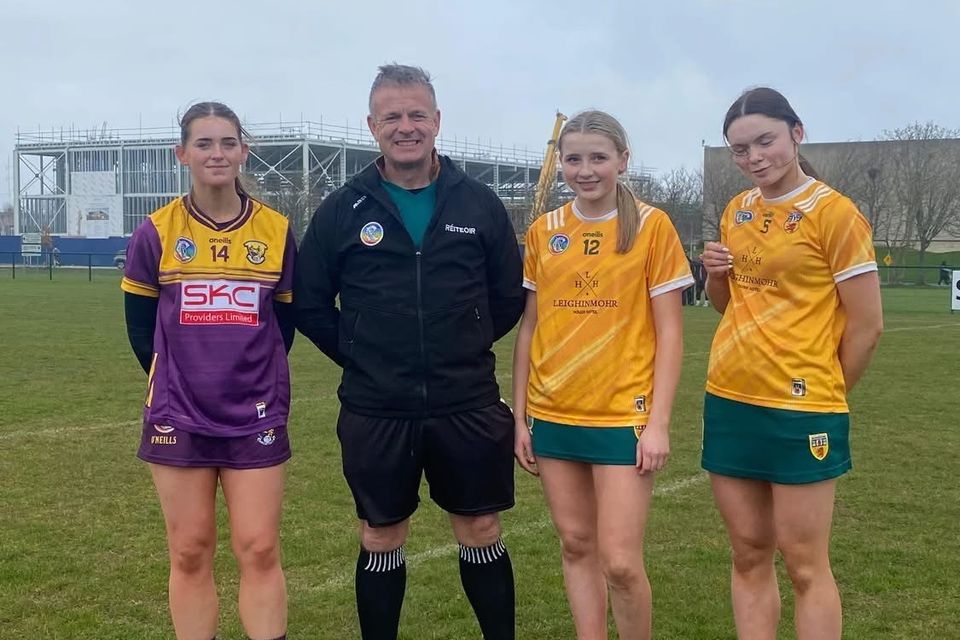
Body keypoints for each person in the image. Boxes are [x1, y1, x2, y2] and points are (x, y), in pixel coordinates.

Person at [294, 64, 524, 640]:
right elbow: (312, 302)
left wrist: (462, 341)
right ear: (372, 126)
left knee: (480, 527)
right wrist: (362, 350)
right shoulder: (342, 209)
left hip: (465, 400)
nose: (406, 127)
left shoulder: (478, 205)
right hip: (377, 405)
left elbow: (505, 295)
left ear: (437, 121)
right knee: (381, 534)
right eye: (392, 116)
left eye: (416, 114)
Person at [700, 87, 883, 640]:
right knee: (748, 554)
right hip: (730, 398)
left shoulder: (835, 213)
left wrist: (827, 391)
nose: (754, 157)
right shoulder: (738, 209)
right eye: (740, 149)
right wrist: (713, 275)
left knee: (805, 564)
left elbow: (868, 325)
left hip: (802, 409)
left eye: (765, 141)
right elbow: (729, 305)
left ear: (796, 134)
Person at [512, 110, 693, 640]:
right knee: (575, 546)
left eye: (598, 157)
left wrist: (658, 423)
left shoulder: (652, 226)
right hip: (553, 414)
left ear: (622, 160)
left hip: (623, 418)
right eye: (573, 159)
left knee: (619, 562)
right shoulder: (546, 231)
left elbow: (671, 335)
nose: (584, 169)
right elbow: (529, 330)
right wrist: (521, 419)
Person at [121, 101, 296, 640]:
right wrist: (181, 379)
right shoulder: (155, 232)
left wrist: (250, 377)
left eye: (227, 143)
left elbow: (283, 324)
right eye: (204, 143)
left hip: (254, 413)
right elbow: (139, 329)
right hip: (179, 412)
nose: (216, 154)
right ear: (182, 154)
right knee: (191, 550)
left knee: (259, 548)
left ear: (244, 152)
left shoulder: (277, 230)